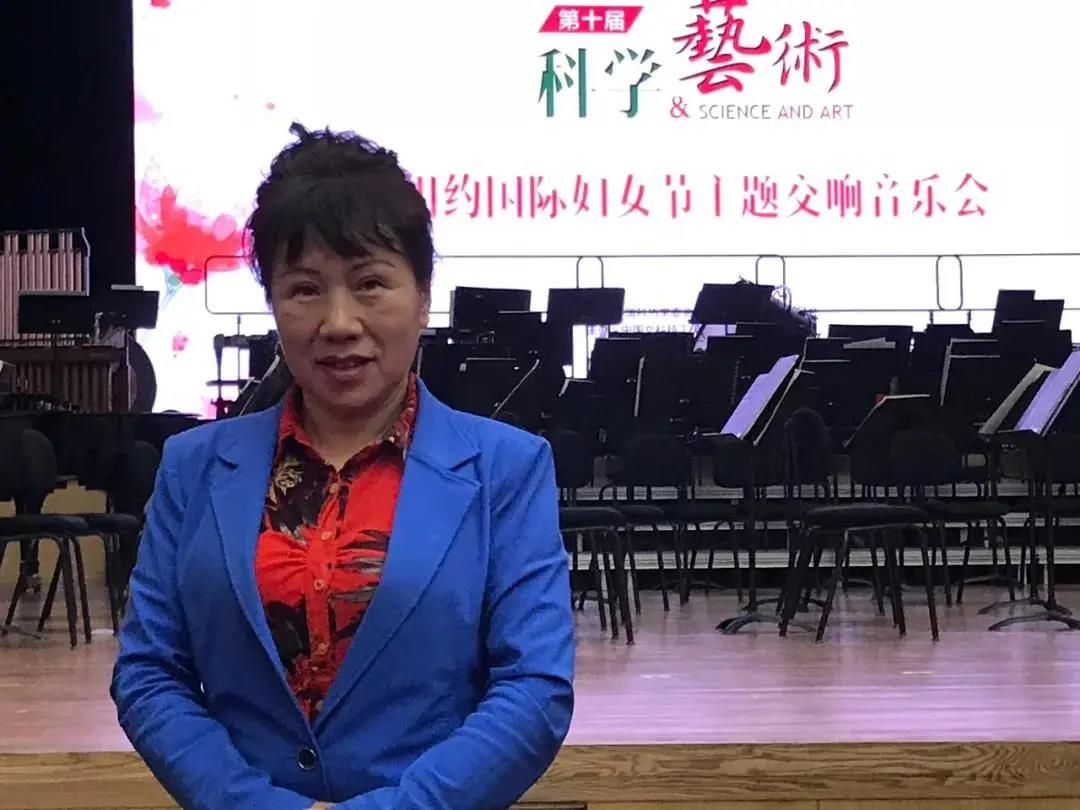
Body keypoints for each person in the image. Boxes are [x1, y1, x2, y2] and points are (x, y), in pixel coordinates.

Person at [111, 124, 575, 809]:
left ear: (423, 296)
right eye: (304, 289)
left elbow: (534, 689)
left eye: (370, 284)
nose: (338, 322)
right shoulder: (193, 467)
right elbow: (150, 675)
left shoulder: (507, 469)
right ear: (273, 301)